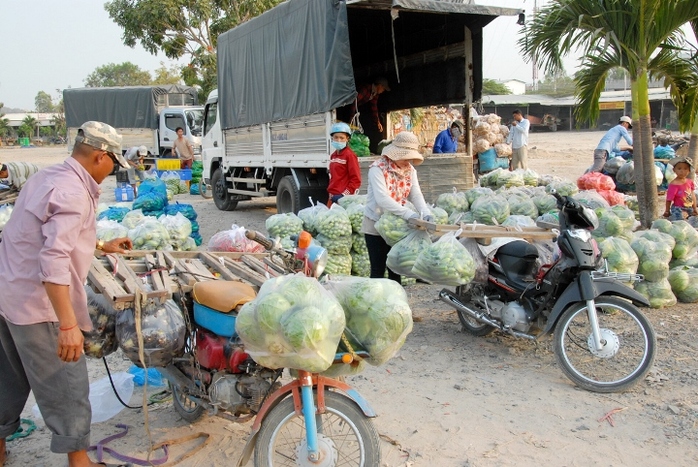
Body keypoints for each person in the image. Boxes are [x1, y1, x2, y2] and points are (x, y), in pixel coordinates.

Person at [0, 121, 133, 467]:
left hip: (7, 292)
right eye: (114, 164)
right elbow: (54, 259)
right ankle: (79, 462)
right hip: (36, 304)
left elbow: (43, 233)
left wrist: (102, 245)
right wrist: (67, 323)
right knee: (68, 385)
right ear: (101, 157)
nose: (112, 171)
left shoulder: (49, 176)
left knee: (7, 380)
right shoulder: (74, 192)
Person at [361, 131, 431, 282]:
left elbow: (415, 194)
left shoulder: (410, 170)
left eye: (410, 157)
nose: (408, 161)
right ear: (395, 154)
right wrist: (408, 214)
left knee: (395, 269)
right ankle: (375, 303)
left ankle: (396, 303)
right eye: (405, 157)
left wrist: (424, 212)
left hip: (397, 226)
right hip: (375, 224)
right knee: (378, 270)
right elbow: (382, 199)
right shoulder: (377, 168)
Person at [327, 122, 361, 205]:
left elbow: (356, 180)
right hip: (332, 196)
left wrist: (343, 195)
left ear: (347, 139)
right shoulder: (333, 156)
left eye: (342, 138)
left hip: (343, 199)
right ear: (332, 138)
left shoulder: (350, 155)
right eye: (336, 137)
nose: (339, 140)